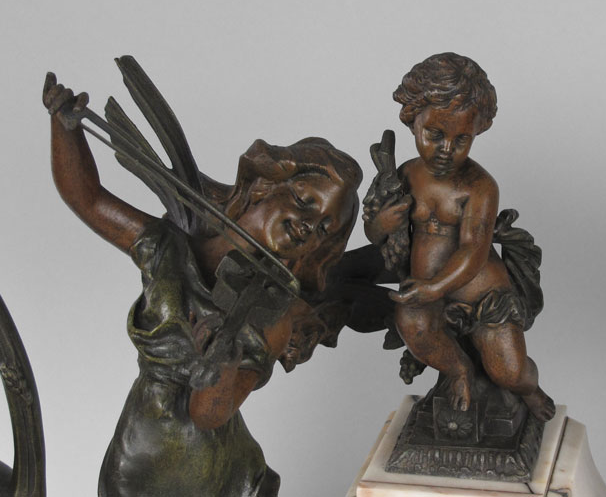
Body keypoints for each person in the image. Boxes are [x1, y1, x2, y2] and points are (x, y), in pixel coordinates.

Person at [43, 72, 361, 497]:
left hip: (218, 471)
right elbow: (88, 199)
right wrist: (66, 129)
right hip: (139, 455)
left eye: (325, 228)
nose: (310, 227)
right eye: (305, 201)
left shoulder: (274, 314)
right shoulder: (169, 250)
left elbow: (209, 414)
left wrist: (222, 363)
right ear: (265, 187)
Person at [364, 53, 554, 421]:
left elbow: (473, 250)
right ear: (412, 120)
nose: (446, 149)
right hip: (425, 292)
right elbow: (375, 234)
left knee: (509, 372)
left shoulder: (479, 186)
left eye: (461, 139)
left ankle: (531, 390)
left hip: (481, 297)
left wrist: (436, 287)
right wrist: (383, 224)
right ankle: (458, 370)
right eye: (435, 134)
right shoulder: (404, 176)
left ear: (477, 132)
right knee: (412, 325)